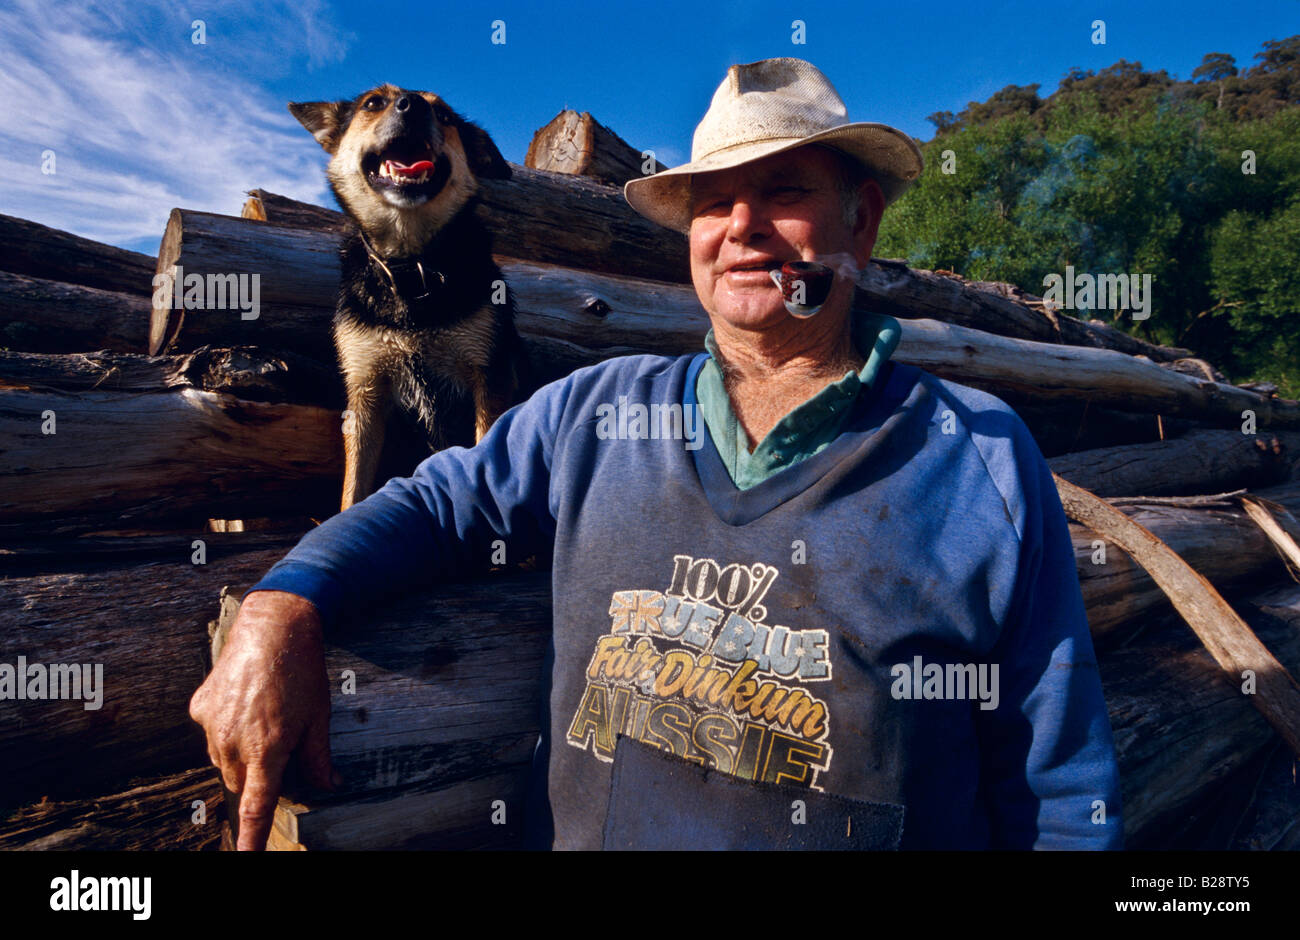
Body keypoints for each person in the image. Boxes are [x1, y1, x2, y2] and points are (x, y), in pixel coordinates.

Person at [190, 57, 1123, 850]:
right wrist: (283, 610)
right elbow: (436, 504)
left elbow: (1058, 783)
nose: (743, 227)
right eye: (715, 203)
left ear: (861, 222)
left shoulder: (978, 456)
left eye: (785, 193)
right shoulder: (599, 414)